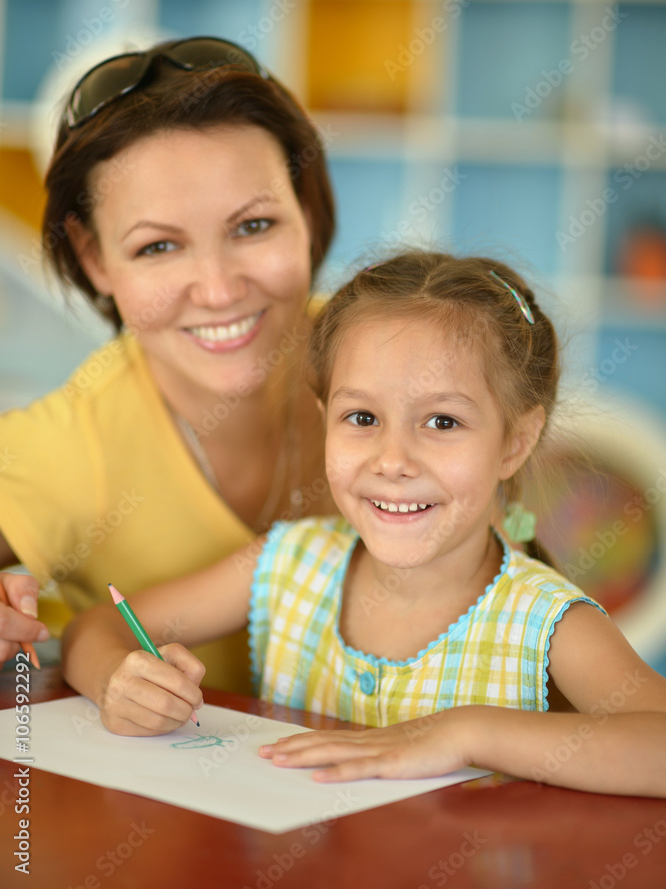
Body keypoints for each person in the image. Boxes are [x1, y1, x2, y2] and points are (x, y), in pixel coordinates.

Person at [61, 251, 666, 797]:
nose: (393, 461)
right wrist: (119, 681)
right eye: (362, 416)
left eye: (443, 422)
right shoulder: (286, 563)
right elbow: (97, 626)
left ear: (516, 442)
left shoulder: (547, 622)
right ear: (325, 418)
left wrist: (465, 733)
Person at [0, 36, 338, 690]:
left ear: (307, 210)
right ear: (95, 258)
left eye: (253, 227)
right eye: (158, 246)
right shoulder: (73, 442)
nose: (216, 289)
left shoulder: (395, 346)